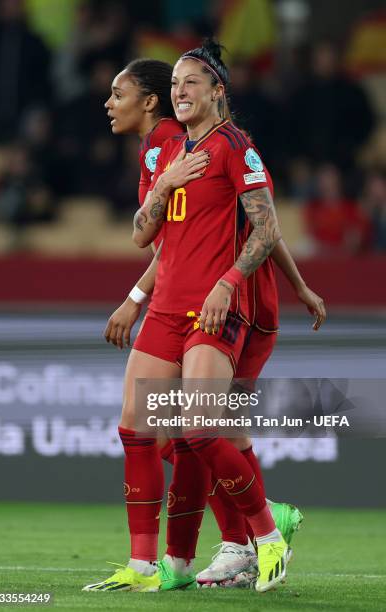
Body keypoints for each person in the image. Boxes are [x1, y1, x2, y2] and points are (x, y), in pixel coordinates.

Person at [84, 48, 325, 594]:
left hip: (219, 307)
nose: (180, 90)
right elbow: (143, 234)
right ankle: (147, 564)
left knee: (199, 428)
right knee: (137, 427)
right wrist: (166, 183)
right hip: (168, 305)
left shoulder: (234, 147)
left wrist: (234, 283)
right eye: (175, 82)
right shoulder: (172, 153)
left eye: (191, 82)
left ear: (217, 90)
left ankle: (261, 537)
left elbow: (267, 227)